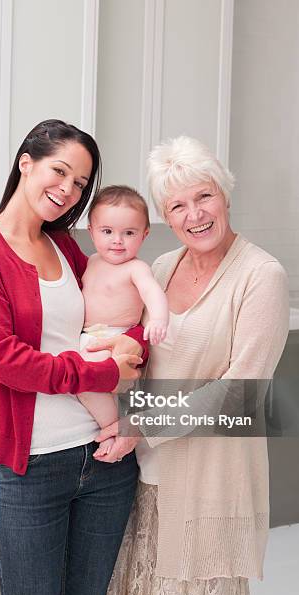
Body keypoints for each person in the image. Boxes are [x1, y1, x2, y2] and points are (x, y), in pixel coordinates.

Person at [0, 119, 148, 595]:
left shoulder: (65, 245)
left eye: (80, 183)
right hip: (31, 467)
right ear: (26, 163)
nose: (67, 190)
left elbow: (119, 313)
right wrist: (105, 373)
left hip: (106, 460)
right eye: (59, 171)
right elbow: (4, 361)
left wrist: (133, 362)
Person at [92, 136, 290, 595]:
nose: (194, 214)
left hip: (212, 477)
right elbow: (138, 354)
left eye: (204, 196)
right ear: (164, 215)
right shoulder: (159, 267)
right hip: (142, 474)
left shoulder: (261, 275)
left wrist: (140, 424)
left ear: (225, 195)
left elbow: (240, 396)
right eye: (177, 205)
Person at [78, 185, 169, 457]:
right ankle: (109, 424)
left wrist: (158, 319)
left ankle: (111, 429)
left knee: (85, 383)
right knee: (79, 383)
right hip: (88, 336)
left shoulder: (136, 268)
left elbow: (153, 292)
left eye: (129, 233)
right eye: (107, 232)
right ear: (91, 231)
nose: (117, 240)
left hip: (115, 339)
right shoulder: (90, 262)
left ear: (144, 234)